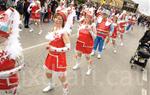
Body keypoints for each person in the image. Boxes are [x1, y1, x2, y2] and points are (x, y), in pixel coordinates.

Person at [43, 7, 71, 95]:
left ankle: (65, 91)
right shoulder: (54, 29)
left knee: (61, 77)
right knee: (47, 71)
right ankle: (50, 85)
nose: (57, 20)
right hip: (51, 55)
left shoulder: (64, 32)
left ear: (63, 21)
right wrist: (48, 44)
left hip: (60, 58)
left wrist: (54, 49)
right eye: (56, 18)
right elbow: (52, 40)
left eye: (60, 19)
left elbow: (68, 47)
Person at [0, 8, 24, 95]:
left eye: (1, 35)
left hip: (10, 82)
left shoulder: (14, 48)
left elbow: (21, 66)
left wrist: (4, 74)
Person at [72, 7, 96, 75]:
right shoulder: (82, 24)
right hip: (80, 42)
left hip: (87, 44)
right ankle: (77, 64)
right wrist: (77, 34)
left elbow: (95, 37)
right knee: (78, 54)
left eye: (88, 17)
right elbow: (78, 33)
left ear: (91, 18)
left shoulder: (92, 25)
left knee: (87, 57)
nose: (87, 18)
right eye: (86, 17)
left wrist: (90, 31)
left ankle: (89, 69)